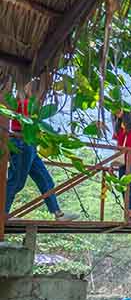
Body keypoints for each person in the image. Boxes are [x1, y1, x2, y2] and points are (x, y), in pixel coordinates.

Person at [5, 88, 77, 221]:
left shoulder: (27, 103)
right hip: (23, 142)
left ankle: (58, 213)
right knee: (16, 181)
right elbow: (30, 126)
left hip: (29, 144)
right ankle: (3, 214)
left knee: (45, 178)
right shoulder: (25, 103)